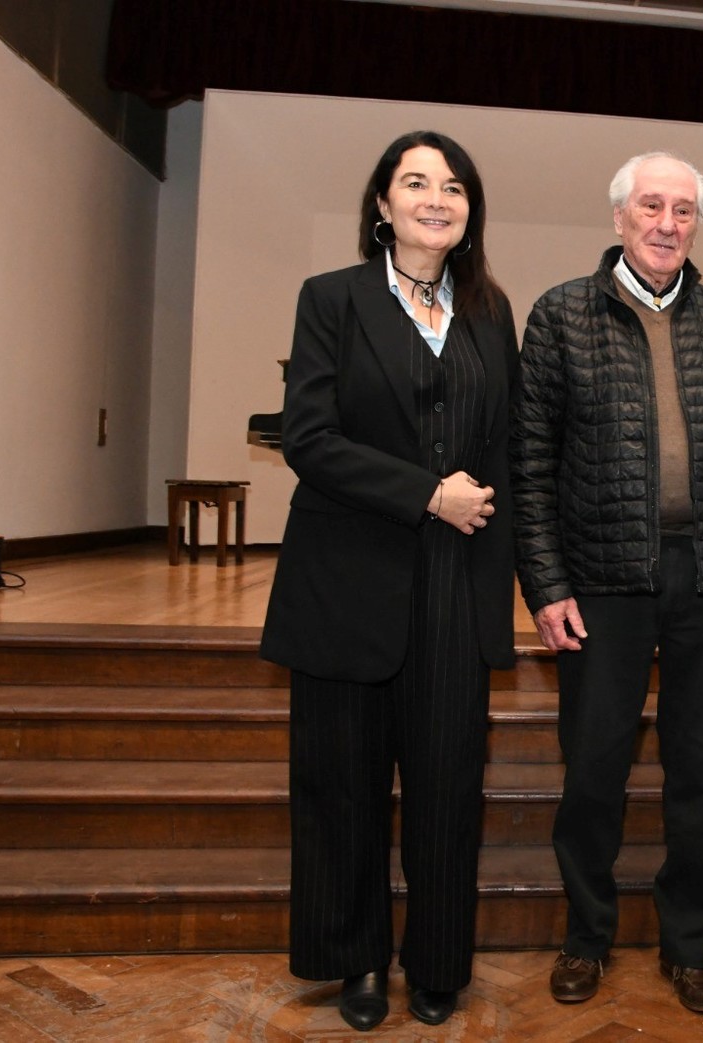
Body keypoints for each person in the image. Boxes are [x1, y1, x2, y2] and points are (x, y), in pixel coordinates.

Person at [510, 151, 703, 1016]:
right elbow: (529, 466)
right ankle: (585, 937)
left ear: (696, 223)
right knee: (593, 767)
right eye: (650, 206)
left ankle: (691, 943)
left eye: (682, 210)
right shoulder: (561, 316)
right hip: (599, 580)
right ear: (620, 218)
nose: (667, 223)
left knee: (702, 774)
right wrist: (546, 584)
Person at [260, 131, 518, 1032]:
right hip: (347, 581)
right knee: (343, 786)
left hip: (455, 583)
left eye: (453, 186)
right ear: (381, 203)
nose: (436, 198)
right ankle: (358, 958)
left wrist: (515, 583)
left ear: (468, 209)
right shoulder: (330, 300)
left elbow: (504, 452)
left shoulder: (491, 312)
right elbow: (310, 439)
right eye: (416, 183)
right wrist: (424, 493)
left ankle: (437, 961)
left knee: (449, 787)